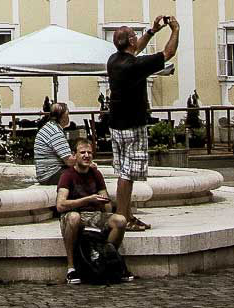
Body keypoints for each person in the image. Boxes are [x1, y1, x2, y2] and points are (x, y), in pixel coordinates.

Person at [107, 15, 178, 231]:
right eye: (134, 35)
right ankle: (123, 218)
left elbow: (135, 50)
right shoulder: (134, 66)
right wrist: (175, 30)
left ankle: (125, 215)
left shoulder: (114, 60)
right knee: (128, 174)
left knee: (122, 171)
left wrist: (152, 31)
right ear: (129, 41)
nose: (136, 38)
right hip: (133, 125)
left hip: (116, 124)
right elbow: (168, 53)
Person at [56, 136, 130, 283]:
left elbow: (106, 204)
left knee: (120, 220)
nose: (87, 156)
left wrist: (104, 202)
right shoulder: (67, 175)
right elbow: (60, 205)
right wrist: (88, 199)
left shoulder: (96, 174)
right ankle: (71, 268)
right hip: (75, 214)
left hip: (95, 214)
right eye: (82, 152)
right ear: (74, 155)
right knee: (73, 218)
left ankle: (106, 260)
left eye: (89, 153)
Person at [33, 100, 76, 187]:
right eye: (68, 114)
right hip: (51, 175)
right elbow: (69, 161)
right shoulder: (55, 132)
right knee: (87, 172)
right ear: (63, 117)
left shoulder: (50, 127)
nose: (69, 117)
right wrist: (87, 162)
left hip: (46, 174)